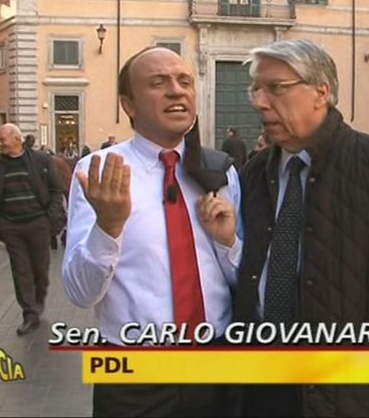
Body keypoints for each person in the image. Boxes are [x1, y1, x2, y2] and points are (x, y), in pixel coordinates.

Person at [234, 39, 369, 417]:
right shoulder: (254, 172)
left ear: (321, 92)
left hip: (349, 393)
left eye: (276, 88)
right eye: (256, 89)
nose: (259, 102)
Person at [62, 46, 241, 417]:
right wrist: (108, 226)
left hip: (217, 361)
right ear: (128, 105)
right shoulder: (98, 173)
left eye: (185, 81)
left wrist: (228, 243)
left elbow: (244, 280)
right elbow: (80, 292)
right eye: (158, 83)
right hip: (135, 372)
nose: (176, 91)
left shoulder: (221, 172)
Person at [0, 123, 66, 335]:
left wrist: (49, 218)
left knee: (40, 269)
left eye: (2, 140)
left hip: (38, 224)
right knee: (20, 270)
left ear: (16, 139)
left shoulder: (41, 160)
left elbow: (56, 190)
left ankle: (38, 303)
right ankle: (29, 313)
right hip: (11, 226)